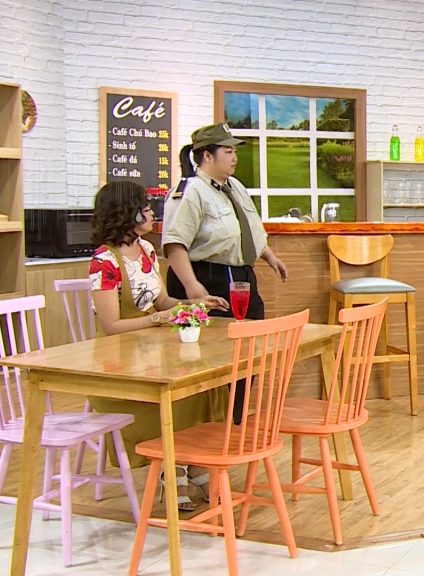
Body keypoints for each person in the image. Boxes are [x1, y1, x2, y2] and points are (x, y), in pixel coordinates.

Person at [87, 180, 230, 510]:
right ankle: (173, 469)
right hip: (117, 363)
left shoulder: (147, 250)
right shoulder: (103, 262)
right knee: (177, 390)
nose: (152, 213)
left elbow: (163, 301)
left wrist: (193, 304)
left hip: (152, 349)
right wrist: (157, 320)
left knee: (204, 386)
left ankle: (193, 463)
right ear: (126, 213)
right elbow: (111, 327)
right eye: (145, 207)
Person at [161, 123, 289, 423]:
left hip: (241, 276)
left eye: (234, 151)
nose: (234, 157)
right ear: (207, 156)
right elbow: (174, 244)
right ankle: (210, 426)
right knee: (212, 359)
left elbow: (246, 229)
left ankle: (236, 421)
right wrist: (192, 287)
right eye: (228, 151)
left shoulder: (235, 187)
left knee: (249, 351)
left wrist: (269, 256)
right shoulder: (190, 191)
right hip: (206, 278)